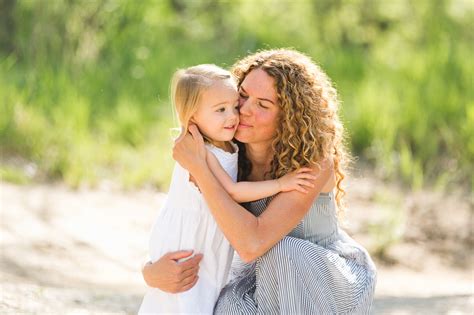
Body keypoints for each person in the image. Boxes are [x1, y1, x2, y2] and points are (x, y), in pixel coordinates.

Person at [143, 49, 377, 314]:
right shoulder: (229, 153)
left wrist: (200, 169)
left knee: (283, 251)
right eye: (242, 96)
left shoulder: (312, 163)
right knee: (229, 305)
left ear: (290, 116)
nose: (243, 110)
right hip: (259, 278)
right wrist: (150, 272)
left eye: (263, 105)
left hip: (322, 279)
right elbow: (186, 217)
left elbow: (252, 244)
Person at [138, 64, 316, 314]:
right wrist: (280, 184)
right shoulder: (203, 150)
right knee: (185, 299)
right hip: (192, 234)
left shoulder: (229, 143)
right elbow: (232, 191)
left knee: (205, 294)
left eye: (234, 105)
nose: (235, 115)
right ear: (192, 117)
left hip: (216, 233)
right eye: (222, 109)